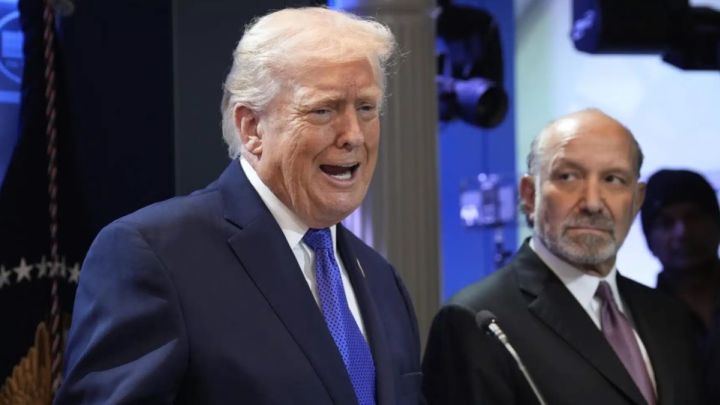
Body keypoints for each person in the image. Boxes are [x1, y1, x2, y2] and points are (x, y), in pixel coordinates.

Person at [55, 7, 423, 405]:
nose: (353, 135)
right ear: (252, 128)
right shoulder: (155, 258)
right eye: (323, 110)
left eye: (366, 108)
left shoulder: (383, 281)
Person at [422, 109, 703, 404]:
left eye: (613, 179)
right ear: (529, 195)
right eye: (568, 177)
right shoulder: (476, 321)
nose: (593, 203)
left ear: (636, 200)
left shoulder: (670, 318)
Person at [641, 169, 720, 403]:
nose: (683, 232)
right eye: (666, 223)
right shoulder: (637, 323)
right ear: (650, 240)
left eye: (693, 217)